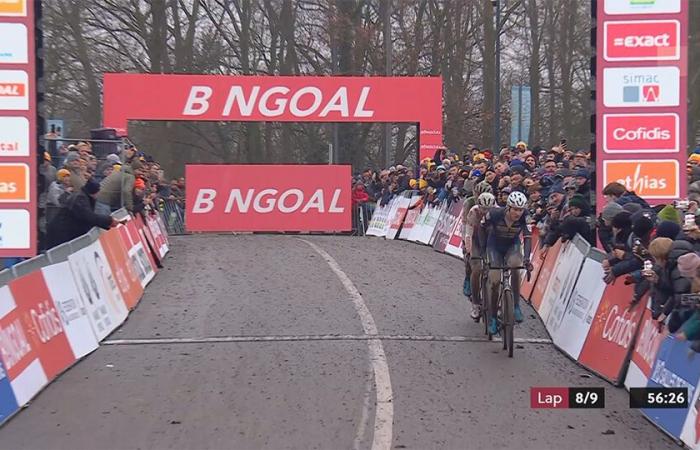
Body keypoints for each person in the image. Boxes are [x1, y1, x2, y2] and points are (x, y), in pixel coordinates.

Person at [481, 191, 533, 334]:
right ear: (508, 207)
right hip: (494, 245)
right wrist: (482, 253)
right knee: (495, 280)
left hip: (512, 245)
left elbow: (528, 237)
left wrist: (527, 259)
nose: (518, 213)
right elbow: (482, 229)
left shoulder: (525, 216)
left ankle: (515, 306)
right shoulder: (495, 214)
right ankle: (492, 318)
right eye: (515, 209)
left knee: (516, 267)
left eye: (521, 210)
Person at [47, 178, 117, 249]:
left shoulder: (83, 197)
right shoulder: (80, 199)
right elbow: (89, 217)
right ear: (94, 192)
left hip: (66, 231)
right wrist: (109, 221)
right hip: (61, 232)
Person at [463, 192, 497, 321]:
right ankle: (476, 304)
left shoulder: (499, 212)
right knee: (476, 270)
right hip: (476, 240)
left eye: (489, 209)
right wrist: (469, 250)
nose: (485, 212)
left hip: (492, 240)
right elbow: (468, 233)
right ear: (479, 206)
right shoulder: (474, 211)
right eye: (483, 209)